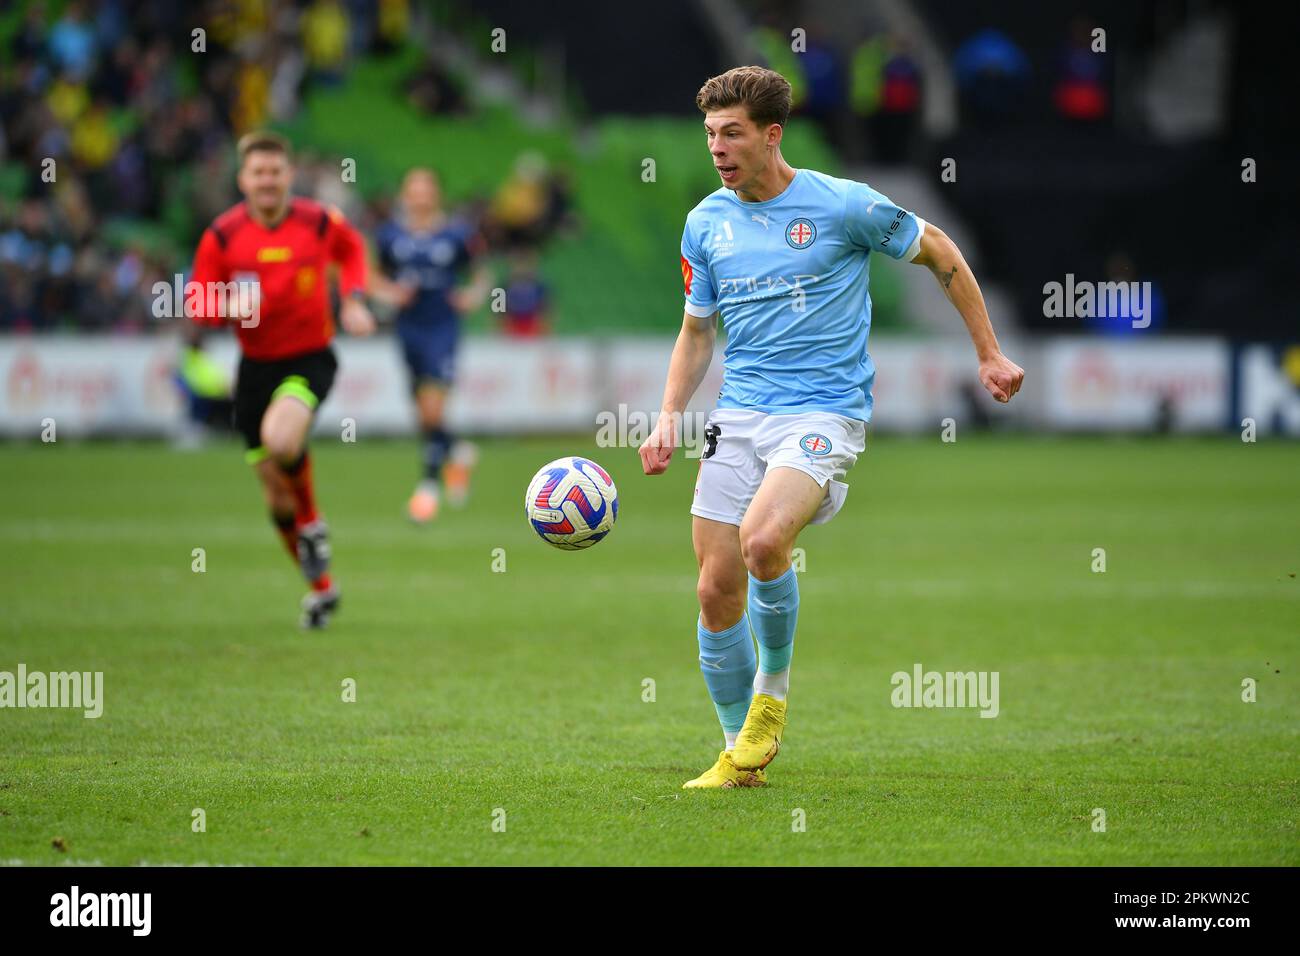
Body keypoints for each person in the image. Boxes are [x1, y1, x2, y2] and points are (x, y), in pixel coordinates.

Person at [639, 66, 1024, 789]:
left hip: (823, 410)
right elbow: (696, 333)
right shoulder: (705, 222)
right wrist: (667, 419)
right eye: (710, 135)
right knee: (714, 589)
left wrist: (990, 352)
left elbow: (940, 251)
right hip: (740, 415)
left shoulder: (844, 206)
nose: (717, 149)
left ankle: (770, 703)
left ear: (771, 134)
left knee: (761, 543)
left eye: (732, 134)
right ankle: (737, 756)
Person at [189, 130, 375, 628]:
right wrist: (226, 305)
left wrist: (354, 298)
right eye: (258, 172)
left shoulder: (318, 221)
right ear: (242, 180)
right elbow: (196, 302)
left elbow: (353, 250)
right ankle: (321, 590)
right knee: (275, 496)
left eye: (275, 171)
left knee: (282, 438)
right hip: (255, 371)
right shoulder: (223, 236)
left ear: (289, 175)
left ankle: (313, 521)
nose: (268, 181)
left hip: (309, 358)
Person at [371, 168, 489, 522]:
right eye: (413, 190)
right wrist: (389, 293)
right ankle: (459, 452)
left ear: (437, 194)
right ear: (405, 195)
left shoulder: (457, 234)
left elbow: (481, 271)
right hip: (408, 329)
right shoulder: (389, 235)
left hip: (442, 329)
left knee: (434, 410)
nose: (420, 197)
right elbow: (370, 273)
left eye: (426, 190)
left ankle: (427, 489)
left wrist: (474, 294)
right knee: (424, 417)